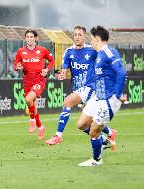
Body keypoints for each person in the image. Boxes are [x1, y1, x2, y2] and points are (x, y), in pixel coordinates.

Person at [45, 25, 116, 145]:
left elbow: (104, 55)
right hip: (78, 89)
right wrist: (62, 75)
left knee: (67, 101)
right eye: (75, 34)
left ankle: (58, 136)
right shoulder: (68, 52)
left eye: (80, 35)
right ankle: (108, 137)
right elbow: (64, 70)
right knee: (87, 123)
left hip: (90, 87)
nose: (77, 37)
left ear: (84, 36)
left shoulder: (92, 50)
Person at [78, 25, 126, 166]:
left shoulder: (109, 52)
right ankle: (105, 141)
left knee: (93, 132)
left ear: (97, 39)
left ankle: (96, 160)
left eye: (92, 39)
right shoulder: (99, 54)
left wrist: (117, 94)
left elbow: (121, 73)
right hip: (97, 97)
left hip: (108, 100)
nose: (90, 41)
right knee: (81, 124)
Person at [14, 29, 55, 140]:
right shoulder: (21, 51)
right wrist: (17, 67)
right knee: (33, 106)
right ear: (25, 38)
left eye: (32, 37)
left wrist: (47, 69)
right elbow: (16, 64)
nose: (29, 39)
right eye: (27, 37)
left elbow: (52, 60)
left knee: (28, 99)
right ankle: (40, 127)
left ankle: (32, 120)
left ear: (35, 38)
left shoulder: (42, 50)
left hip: (39, 80)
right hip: (27, 81)